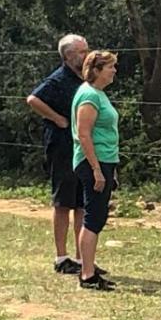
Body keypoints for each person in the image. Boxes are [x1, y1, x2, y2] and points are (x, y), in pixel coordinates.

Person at [25, 33, 89, 274]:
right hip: (62, 146)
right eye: (82, 52)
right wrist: (56, 118)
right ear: (69, 56)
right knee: (63, 202)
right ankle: (61, 257)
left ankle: (83, 258)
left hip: (81, 147)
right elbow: (33, 99)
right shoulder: (58, 79)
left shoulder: (85, 79)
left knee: (82, 203)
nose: (86, 55)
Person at [72, 50, 121, 291]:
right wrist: (96, 169)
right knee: (93, 216)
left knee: (97, 215)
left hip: (104, 160)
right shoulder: (89, 95)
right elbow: (84, 134)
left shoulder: (98, 94)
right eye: (110, 67)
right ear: (97, 70)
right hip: (94, 161)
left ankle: (88, 267)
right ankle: (87, 274)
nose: (114, 71)